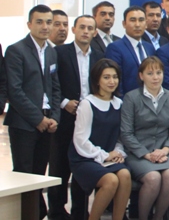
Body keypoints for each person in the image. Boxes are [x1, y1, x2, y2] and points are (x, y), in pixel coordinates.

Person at [4, 5, 61, 219]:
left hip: (47, 123)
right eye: (39, 22)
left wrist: (54, 117)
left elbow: (55, 88)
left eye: (49, 22)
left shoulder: (52, 51)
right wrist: (38, 119)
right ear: (29, 24)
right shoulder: (16, 50)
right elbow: (14, 91)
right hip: (24, 124)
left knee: (39, 175)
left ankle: (35, 214)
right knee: (23, 174)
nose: (45, 26)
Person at [48, 15, 103, 220]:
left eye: (90, 28)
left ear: (95, 32)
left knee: (83, 166)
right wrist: (64, 103)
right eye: (82, 27)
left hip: (89, 121)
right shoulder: (60, 52)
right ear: (74, 30)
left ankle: (80, 212)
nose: (86, 31)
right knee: (60, 166)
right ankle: (56, 211)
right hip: (65, 117)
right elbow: (51, 83)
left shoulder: (99, 56)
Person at [69, 58, 131, 220]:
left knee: (125, 175)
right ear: (97, 80)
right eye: (106, 77)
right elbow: (80, 140)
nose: (112, 81)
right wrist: (104, 155)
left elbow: (120, 137)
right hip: (85, 158)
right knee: (111, 181)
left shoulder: (119, 103)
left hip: (109, 156)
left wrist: (118, 153)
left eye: (115, 77)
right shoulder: (87, 104)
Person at [120, 57, 169, 220]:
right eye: (150, 73)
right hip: (138, 153)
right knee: (153, 178)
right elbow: (126, 133)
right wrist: (146, 154)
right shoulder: (131, 97)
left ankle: (158, 217)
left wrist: (165, 150)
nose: (155, 77)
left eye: (159, 73)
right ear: (141, 76)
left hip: (164, 151)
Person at [106, 6, 155, 94]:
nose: (137, 24)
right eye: (133, 20)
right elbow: (116, 80)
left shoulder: (149, 47)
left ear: (146, 24)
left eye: (141, 20)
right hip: (127, 99)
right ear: (124, 24)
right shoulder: (115, 48)